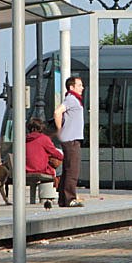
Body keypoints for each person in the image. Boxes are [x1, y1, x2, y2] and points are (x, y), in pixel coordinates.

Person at [54, 76, 84, 208]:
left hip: (71, 138)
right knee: (73, 169)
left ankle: (63, 199)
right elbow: (57, 112)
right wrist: (60, 129)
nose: (82, 88)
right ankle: (70, 198)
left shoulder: (73, 99)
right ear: (71, 87)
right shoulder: (71, 99)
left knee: (67, 169)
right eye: (79, 85)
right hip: (71, 139)